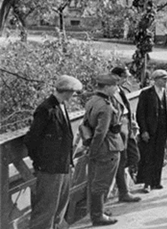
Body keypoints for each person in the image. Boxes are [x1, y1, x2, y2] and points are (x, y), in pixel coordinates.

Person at [25, 75, 83, 229]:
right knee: (46, 209)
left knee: (60, 207)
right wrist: (40, 162)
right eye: (73, 92)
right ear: (67, 91)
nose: (74, 96)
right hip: (49, 167)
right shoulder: (45, 109)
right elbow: (32, 139)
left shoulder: (61, 106)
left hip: (63, 165)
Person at [85, 74, 125, 226]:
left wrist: (91, 148)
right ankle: (97, 215)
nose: (116, 89)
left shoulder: (92, 101)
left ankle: (98, 210)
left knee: (95, 181)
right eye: (114, 86)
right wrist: (94, 150)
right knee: (102, 183)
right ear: (107, 87)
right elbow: (101, 132)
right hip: (108, 147)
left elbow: (86, 123)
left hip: (99, 147)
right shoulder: (106, 106)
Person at [136, 69, 167, 193]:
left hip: (163, 130)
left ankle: (156, 181)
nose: (166, 81)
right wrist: (143, 130)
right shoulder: (146, 94)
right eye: (164, 79)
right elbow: (140, 114)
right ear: (156, 80)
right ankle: (147, 183)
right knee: (148, 155)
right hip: (150, 130)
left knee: (159, 155)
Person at [109, 67, 141, 203]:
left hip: (127, 127)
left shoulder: (120, 90)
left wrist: (132, 123)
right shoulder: (110, 91)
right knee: (121, 161)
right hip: (118, 130)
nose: (126, 80)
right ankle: (123, 191)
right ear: (116, 77)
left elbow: (127, 109)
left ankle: (122, 183)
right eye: (124, 77)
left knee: (134, 157)